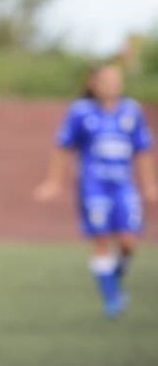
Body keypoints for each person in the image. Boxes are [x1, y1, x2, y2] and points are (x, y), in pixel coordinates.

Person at [34, 62, 157, 317]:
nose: (112, 84)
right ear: (94, 83)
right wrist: (54, 182)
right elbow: (63, 147)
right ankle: (112, 298)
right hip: (94, 187)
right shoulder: (81, 112)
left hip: (123, 186)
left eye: (116, 79)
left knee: (128, 242)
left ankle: (112, 275)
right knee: (101, 240)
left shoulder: (131, 111)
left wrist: (149, 185)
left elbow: (143, 150)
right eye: (107, 79)